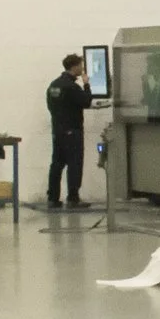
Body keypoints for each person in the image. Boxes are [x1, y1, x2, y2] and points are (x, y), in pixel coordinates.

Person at [46, 53, 94, 208]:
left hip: (58, 131)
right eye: (81, 65)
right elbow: (86, 102)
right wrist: (87, 84)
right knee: (74, 164)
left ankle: (53, 197)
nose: (82, 68)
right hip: (72, 131)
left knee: (57, 164)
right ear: (74, 67)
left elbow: (51, 106)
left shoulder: (54, 85)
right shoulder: (72, 87)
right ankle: (73, 198)